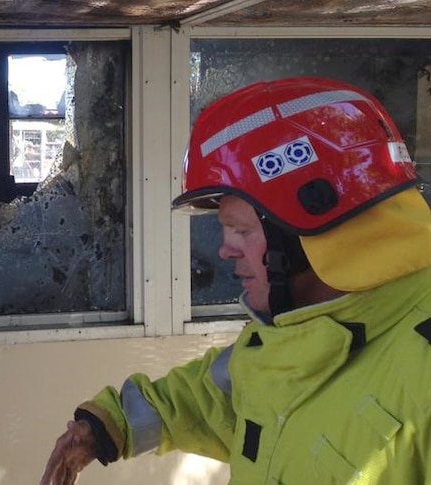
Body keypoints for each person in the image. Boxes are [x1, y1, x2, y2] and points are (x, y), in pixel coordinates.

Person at [40, 76, 431, 484]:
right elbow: (209, 397)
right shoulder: (290, 335)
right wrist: (109, 424)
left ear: (316, 231)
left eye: (241, 231)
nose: (225, 250)